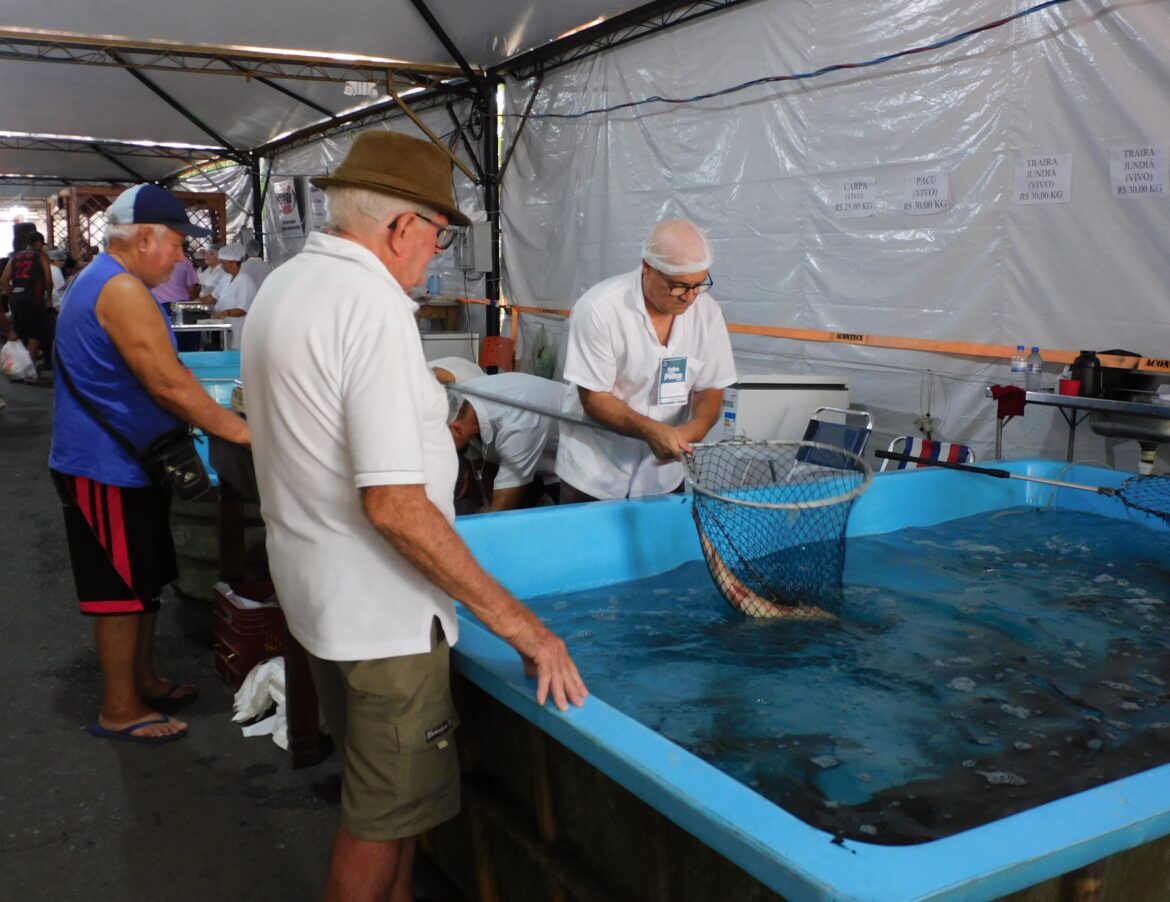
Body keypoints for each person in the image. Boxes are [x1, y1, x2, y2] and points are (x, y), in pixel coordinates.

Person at [242, 129, 587, 901]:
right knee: (379, 821)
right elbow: (395, 506)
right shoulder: (372, 307)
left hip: (320, 602)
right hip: (383, 623)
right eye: (435, 236)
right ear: (401, 227)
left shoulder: (285, 287)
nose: (433, 254)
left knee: (395, 816)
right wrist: (523, 626)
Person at [49, 183, 250, 744]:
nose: (184, 258)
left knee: (141, 578)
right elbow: (165, 383)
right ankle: (120, 707)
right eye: (178, 246)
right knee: (118, 585)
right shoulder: (119, 288)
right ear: (143, 239)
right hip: (103, 463)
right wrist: (243, 431)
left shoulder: (114, 282)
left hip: (124, 460)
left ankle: (142, 682)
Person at [554, 219, 737, 502]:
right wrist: (650, 430)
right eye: (679, 286)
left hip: (664, 478)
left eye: (699, 284)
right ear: (648, 268)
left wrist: (692, 431)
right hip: (597, 474)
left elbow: (710, 389)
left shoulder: (707, 313)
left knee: (656, 546)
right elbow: (594, 398)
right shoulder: (599, 309)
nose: (690, 297)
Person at [447, 372, 564, 511]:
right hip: (532, 450)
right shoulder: (463, 405)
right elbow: (477, 465)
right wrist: (482, 505)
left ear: (457, 429)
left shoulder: (519, 425)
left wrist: (484, 520)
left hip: (579, 458)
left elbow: (504, 507)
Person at [0, 230, 53, 380]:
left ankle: (16, 369)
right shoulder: (41, 255)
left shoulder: (14, 257)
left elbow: (4, 279)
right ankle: (28, 373)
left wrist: (12, 295)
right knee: (34, 337)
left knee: (19, 333)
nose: (42, 247)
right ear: (37, 243)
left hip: (17, 298)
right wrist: (48, 297)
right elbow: (48, 279)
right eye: (41, 244)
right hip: (33, 298)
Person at [209, 243, 256, 350]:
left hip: (238, 328)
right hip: (226, 327)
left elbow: (243, 309)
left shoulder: (244, 282)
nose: (221, 266)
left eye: (224, 263)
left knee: (236, 356)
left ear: (234, 263)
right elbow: (213, 297)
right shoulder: (226, 278)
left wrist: (226, 312)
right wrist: (195, 302)